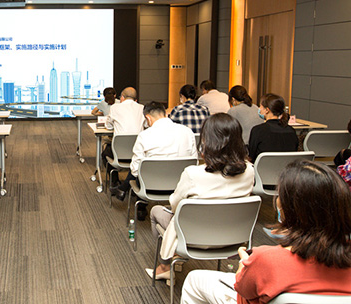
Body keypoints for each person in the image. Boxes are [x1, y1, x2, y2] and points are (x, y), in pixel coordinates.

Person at [180, 160, 351, 304]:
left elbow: (243, 292)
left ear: (291, 209)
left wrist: (243, 269)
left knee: (195, 280)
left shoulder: (267, 260)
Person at [147, 113, 254, 282]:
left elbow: (175, 204)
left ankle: (165, 266)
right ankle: (173, 260)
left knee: (156, 211)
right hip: (234, 237)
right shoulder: (250, 171)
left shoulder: (193, 173)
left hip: (192, 237)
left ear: (207, 142)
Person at [109, 102, 197, 221]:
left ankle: (139, 207)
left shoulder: (144, 136)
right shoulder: (187, 132)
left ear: (148, 118)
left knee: (141, 171)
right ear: (165, 114)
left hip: (150, 187)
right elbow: (194, 162)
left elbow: (135, 171)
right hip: (180, 185)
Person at [248, 93, 298, 162]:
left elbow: (251, 157)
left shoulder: (258, 130)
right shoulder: (291, 131)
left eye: (260, 106)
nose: (259, 109)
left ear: (267, 110)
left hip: (263, 168)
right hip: (286, 168)